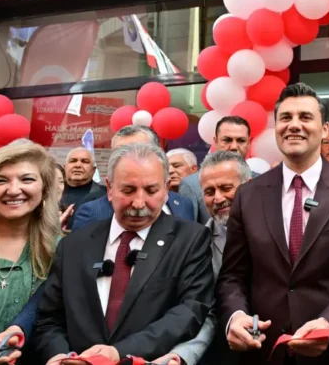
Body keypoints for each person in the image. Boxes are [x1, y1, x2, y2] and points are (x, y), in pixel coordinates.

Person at [216, 83, 329, 365]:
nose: (294, 125)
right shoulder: (248, 195)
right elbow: (232, 275)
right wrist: (234, 316)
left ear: (324, 129)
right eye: (285, 118)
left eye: (305, 117)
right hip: (262, 352)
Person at [33, 143, 214, 363]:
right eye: (128, 191)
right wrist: (61, 356)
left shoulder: (190, 240)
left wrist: (117, 353)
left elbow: (190, 311)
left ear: (166, 188)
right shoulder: (74, 245)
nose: (138, 203)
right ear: (109, 188)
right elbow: (50, 319)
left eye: (151, 190)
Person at [154, 151, 251, 365]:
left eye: (226, 188)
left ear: (249, 185)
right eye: (209, 191)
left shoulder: (280, 230)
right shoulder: (198, 246)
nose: (218, 198)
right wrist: (181, 356)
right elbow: (205, 310)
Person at [0, 144, 61, 361]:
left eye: (27, 179)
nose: (14, 189)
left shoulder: (65, 250)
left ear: (44, 189)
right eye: (0, 180)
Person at [70, 125, 195, 230]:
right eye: (120, 153)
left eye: (138, 150)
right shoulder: (93, 213)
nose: (129, 159)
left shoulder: (183, 204)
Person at [179, 116, 256, 224]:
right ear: (215, 141)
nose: (234, 146)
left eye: (241, 140)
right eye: (227, 140)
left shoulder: (262, 180)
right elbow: (189, 232)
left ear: (249, 143)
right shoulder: (191, 185)